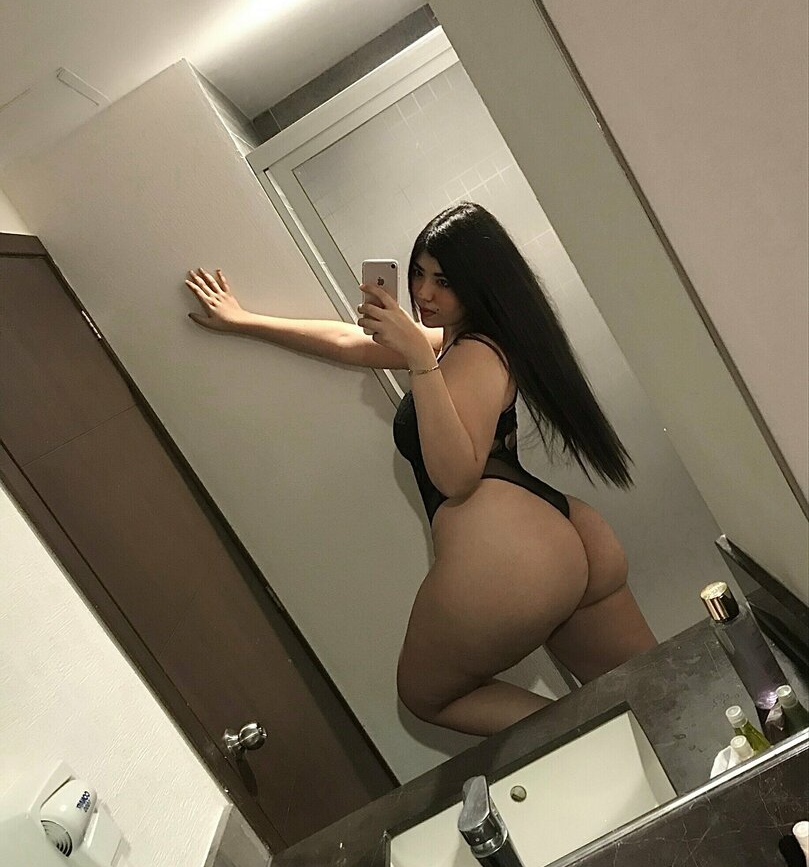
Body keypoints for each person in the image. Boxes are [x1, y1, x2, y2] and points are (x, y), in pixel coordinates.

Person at [185, 202, 656, 737]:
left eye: (444, 281)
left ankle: (601, 741)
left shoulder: (473, 353)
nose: (424, 292)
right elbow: (349, 342)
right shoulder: (464, 342)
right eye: (418, 273)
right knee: (655, 693)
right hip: (564, 536)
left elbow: (456, 479)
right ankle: (634, 743)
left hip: (514, 557)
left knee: (428, 695)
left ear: (480, 284)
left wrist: (419, 360)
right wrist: (243, 319)